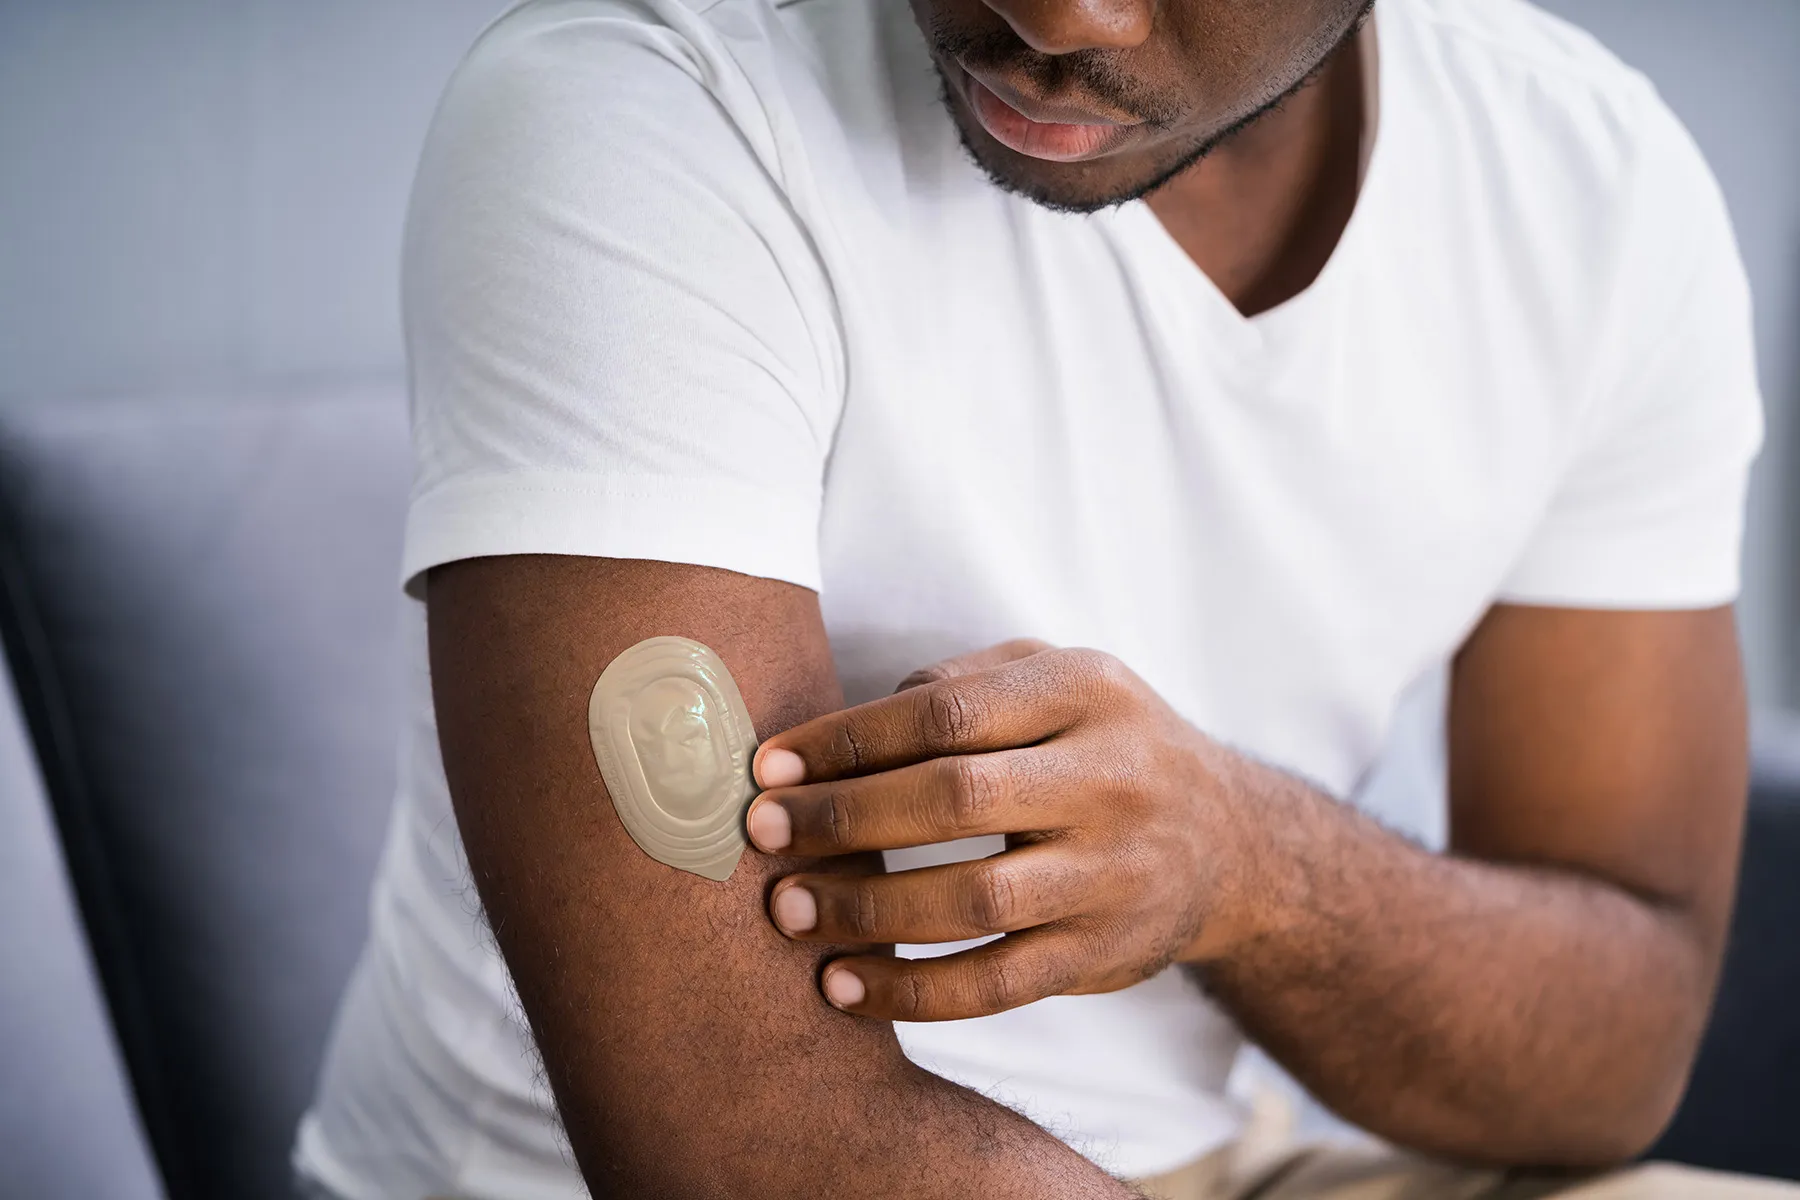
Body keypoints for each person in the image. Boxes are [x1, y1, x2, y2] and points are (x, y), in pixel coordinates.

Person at [294, 0, 1793, 1196]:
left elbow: (1614, 1049)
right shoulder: (649, 108)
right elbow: (743, 1147)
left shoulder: (1591, 193)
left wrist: (1244, 867)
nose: (1056, 11)